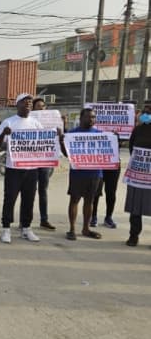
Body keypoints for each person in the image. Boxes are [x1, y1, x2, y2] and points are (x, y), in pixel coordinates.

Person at [0, 93, 44, 244]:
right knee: (10, 198)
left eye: (30, 101)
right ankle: (6, 229)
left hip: (32, 168)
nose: (28, 104)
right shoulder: (9, 122)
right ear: (17, 105)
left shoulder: (36, 124)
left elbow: (43, 143)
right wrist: (4, 134)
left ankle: (26, 228)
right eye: (25, 101)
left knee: (29, 199)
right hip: (14, 168)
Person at [60, 108, 103, 241]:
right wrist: (62, 142)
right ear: (81, 118)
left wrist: (114, 139)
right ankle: (72, 229)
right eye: (89, 117)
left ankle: (86, 228)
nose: (91, 120)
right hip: (78, 173)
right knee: (75, 200)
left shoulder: (100, 134)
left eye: (93, 117)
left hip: (95, 174)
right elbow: (67, 154)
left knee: (90, 201)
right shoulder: (72, 134)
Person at [125, 104, 151, 246]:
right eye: (145, 112)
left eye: (149, 112)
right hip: (137, 176)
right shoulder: (138, 129)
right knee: (135, 208)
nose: (145, 114)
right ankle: (133, 235)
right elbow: (131, 148)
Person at [31, 97, 56, 231]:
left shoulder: (51, 121)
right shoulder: (28, 120)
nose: (41, 108)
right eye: (38, 106)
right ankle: (25, 220)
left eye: (43, 106)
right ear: (33, 109)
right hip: (30, 161)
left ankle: (44, 220)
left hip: (45, 160)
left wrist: (61, 127)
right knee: (28, 192)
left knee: (43, 191)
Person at [91, 132, 120, 229]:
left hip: (113, 162)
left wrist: (117, 136)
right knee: (96, 192)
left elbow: (129, 142)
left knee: (111, 193)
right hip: (99, 162)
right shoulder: (96, 129)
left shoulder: (119, 130)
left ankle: (108, 217)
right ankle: (93, 216)